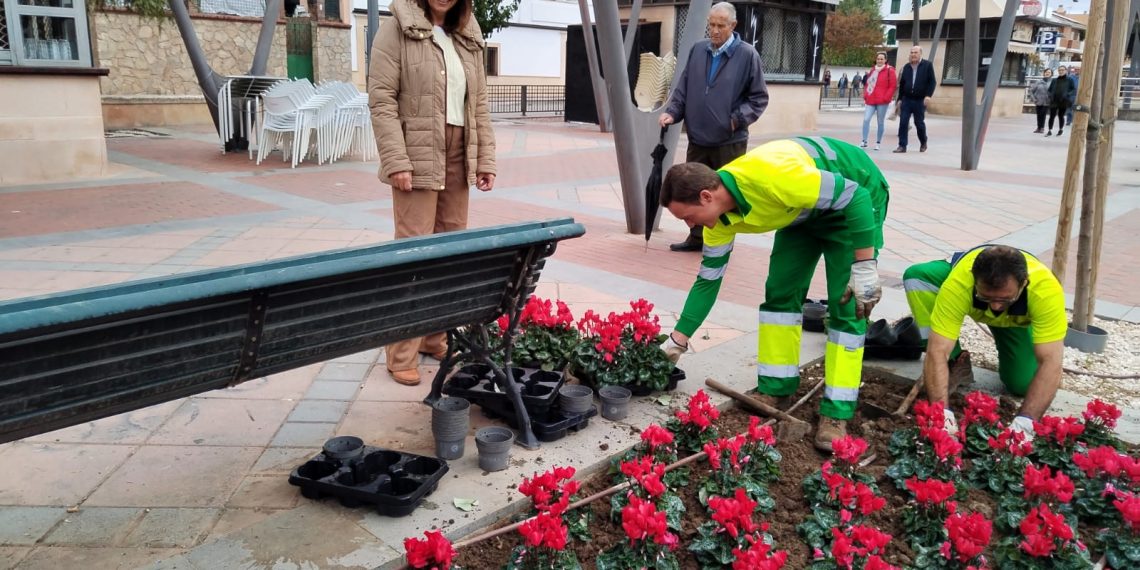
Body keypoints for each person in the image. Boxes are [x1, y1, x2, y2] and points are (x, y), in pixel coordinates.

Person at [659, 136, 889, 452]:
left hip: (854, 198)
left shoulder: (773, 177)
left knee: (847, 307)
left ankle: (836, 412)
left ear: (706, 196)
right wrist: (678, 339)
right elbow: (707, 282)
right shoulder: (719, 222)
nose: (688, 225)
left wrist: (864, 267)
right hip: (805, 212)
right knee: (780, 295)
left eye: (687, 217)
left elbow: (856, 197)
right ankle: (776, 385)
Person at [369, 0, 496, 386]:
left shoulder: (468, 32)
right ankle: (401, 354)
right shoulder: (396, 27)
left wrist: (485, 158)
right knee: (412, 255)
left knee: (450, 254)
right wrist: (397, 160)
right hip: (417, 154)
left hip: (459, 155)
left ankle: (433, 337)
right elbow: (381, 99)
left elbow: (480, 106)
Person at [902, 245, 1066, 440]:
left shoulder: (1045, 291)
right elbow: (937, 351)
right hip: (971, 300)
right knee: (916, 277)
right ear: (974, 280)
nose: (996, 306)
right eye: (987, 297)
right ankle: (956, 362)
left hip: (1015, 322)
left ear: (1023, 284)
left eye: (1003, 299)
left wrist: (1026, 422)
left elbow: (1051, 361)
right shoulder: (959, 283)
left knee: (1022, 383)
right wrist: (941, 415)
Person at [659, 2, 769, 253]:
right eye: (711, 24)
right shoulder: (698, 50)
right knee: (693, 190)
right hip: (698, 137)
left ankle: (721, 243)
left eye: (721, 25)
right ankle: (696, 238)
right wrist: (672, 112)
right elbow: (683, 87)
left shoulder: (747, 54)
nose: (715, 30)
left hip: (729, 141)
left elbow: (758, 98)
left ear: (733, 25)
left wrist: (733, 120)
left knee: (724, 192)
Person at [893, 45, 937, 153]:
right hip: (907, 99)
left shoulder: (927, 65)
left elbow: (932, 82)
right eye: (912, 52)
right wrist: (899, 99)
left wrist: (928, 96)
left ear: (920, 54)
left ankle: (923, 141)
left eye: (915, 52)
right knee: (903, 122)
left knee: (919, 123)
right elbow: (902, 85)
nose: (913, 54)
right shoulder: (906, 67)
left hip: (919, 100)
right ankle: (902, 146)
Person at [861, 52, 897, 151]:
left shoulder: (890, 70)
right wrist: (865, 95)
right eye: (878, 59)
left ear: (885, 60)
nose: (880, 61)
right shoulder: (873, 70)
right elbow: (867, 84)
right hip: (871, 99)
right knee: (866, 119)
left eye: (882, 59)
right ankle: (864, 141)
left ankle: (878, 142)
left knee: (880, 122)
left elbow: (892, 86)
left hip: (882, 100)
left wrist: (886, 98)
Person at [1047, 66, 1075, 137]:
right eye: (1059, 70)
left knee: (1061, 116)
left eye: (1062, 70)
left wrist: (1068, 94)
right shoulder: (1054, 80)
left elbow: (1073, 89)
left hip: (1063, 101)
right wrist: (1050, 95)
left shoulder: (1069, 80)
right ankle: (1049, 130)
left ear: (1065, 71)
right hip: (1054, 100)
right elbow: (1049, 90)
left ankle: (1060, 129)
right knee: (1052, 116)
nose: (1061, 71)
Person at [1029, 69, 1052, 134]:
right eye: (1046, 72)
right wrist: (1034, 99)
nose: (1047, 73)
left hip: (1046, 102)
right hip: (1038, 101)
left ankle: (1042, 128)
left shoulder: (1052, 82)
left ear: (1051, 74)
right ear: (1044, 73)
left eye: (1049, 72)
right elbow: (1031, 91)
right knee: (1039, 115)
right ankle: (1038, 127)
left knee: (1043, 114)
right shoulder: (1038, 82)